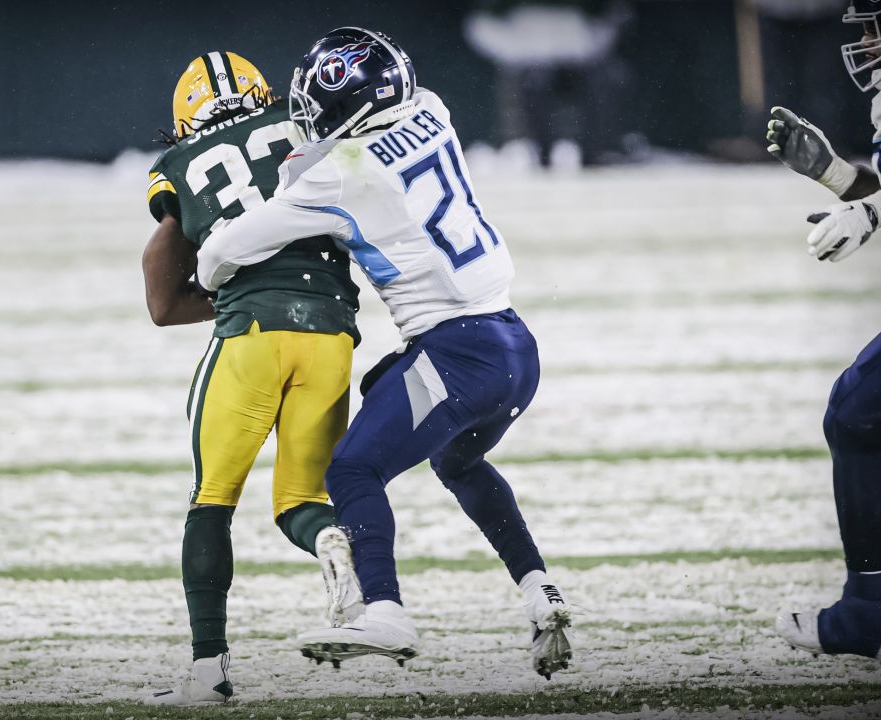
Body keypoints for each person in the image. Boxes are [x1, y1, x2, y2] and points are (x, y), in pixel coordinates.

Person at [196, 27, 573, 679]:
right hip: (514, 345)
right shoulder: (432, 109)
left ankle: (387, 610)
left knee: (350, 471)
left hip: (457, 356)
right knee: (457, 460)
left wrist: (217, 259)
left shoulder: (339, 179)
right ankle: (541, 593)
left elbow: (221, 255)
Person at [140, 50, 364, 704]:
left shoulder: (178, 164)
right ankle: (330, 542)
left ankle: (208, 671)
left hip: (251, 336)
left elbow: (161, 292)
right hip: (331, 333)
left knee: (212, 500)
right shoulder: (312, 131)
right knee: (300, 500)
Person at [766, 0, 881, 660]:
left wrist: (871, 211)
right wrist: (840, 178)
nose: (869, 38)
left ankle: (866, 610)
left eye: (880, 22)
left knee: (855, 417)